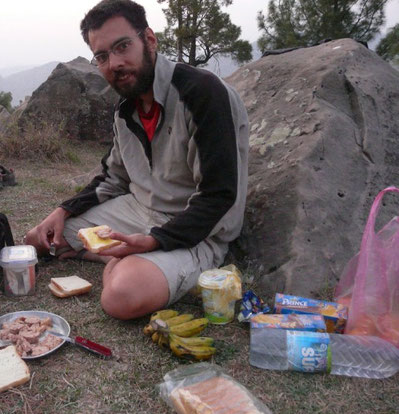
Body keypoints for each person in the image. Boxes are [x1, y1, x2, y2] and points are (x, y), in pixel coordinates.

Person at [25, 0, 249, 320]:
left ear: (150, 40)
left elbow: (220, 196)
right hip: (138, 211)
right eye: (102, 56)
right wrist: (64, 210)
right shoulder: (125, 110)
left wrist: (153, 241)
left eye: (123, 46)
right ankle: (123, 259)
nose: (114, 63)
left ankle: (124, 264)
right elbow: (113, 177)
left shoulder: (201, 93)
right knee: (43, 239)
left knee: (119, 296)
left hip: (195, 229)